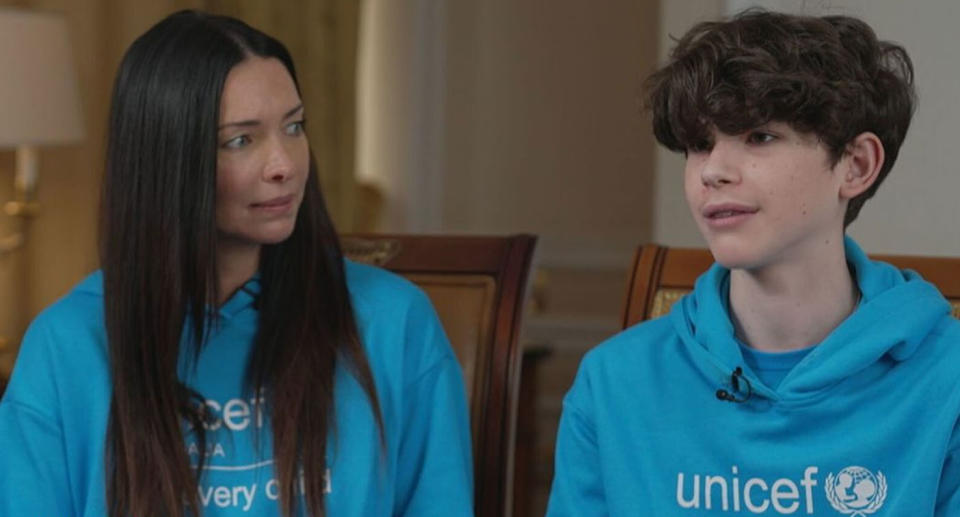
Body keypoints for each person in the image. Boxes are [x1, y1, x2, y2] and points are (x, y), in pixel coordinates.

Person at [0, 10, 473, 517]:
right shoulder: (67, 346)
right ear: (168, 162)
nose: (285, 166)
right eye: (241, 140)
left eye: (294, 127)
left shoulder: (394, 325)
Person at [547, 9, 960, 516]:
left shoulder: (948, 381)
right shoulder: (611, 384)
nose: (713, 171)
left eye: (758, 136)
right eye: (699, 144)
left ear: (856, 166)